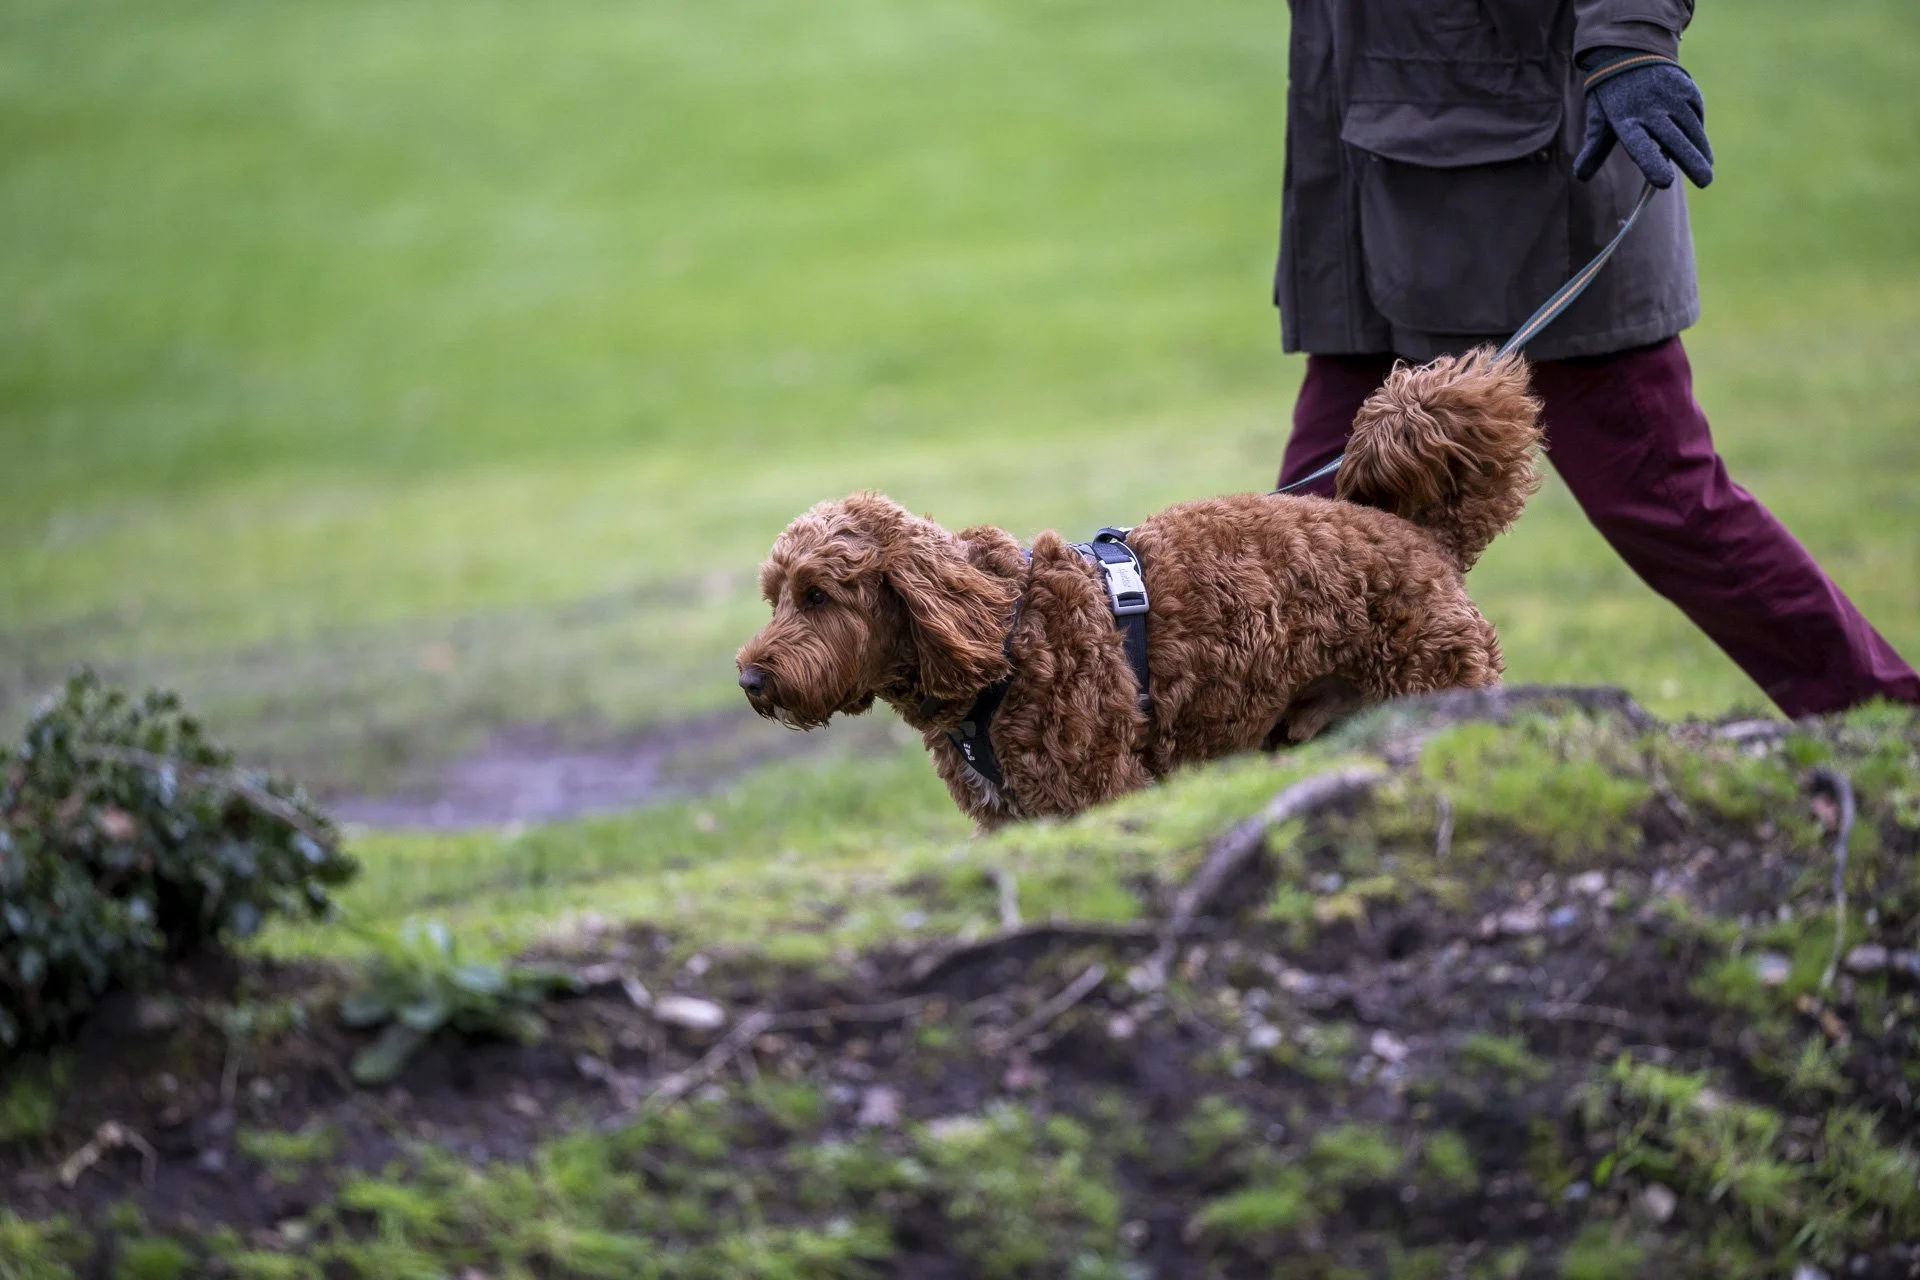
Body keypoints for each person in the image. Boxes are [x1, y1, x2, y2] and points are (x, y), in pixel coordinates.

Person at [1271, 0, 1919, 716]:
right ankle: (1285, 769)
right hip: (1357, 182)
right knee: (1302, 540)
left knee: (1670, 508)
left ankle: (1891, 716)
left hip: (1522, 194)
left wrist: (1630, 43)